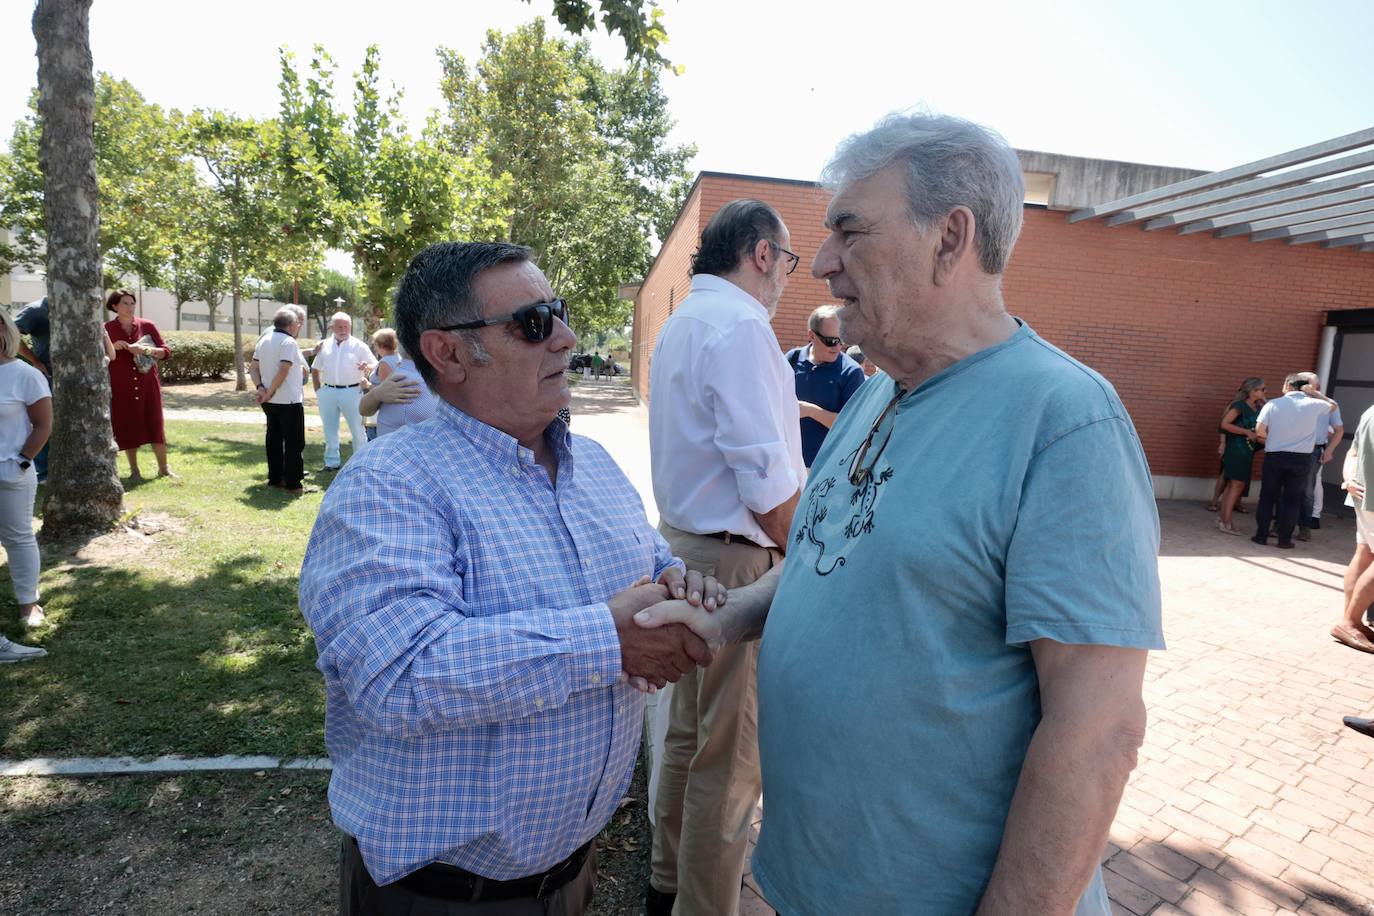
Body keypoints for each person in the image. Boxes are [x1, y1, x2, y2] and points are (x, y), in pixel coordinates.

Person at [635, 112, 1164, 915]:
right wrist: (726, 615)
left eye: (849, 231)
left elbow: (1097, 734)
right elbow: (829, 555)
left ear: (950, 238)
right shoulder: (878, 387)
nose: (820, 262)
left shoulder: (1065, 421)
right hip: (814, 884)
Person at [299, 240, 723, 916]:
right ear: (448, 353)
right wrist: (608, 642)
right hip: (443, 899)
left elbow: (651, 566)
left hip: (572, 877)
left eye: (558, 313)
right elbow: (399, 675)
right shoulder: (389, 486)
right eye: (533, 323)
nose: (566, 337)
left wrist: (678, 587)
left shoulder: (597, 467)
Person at [645, 198, 804, 916]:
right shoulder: (741, 326)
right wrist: (808, 556)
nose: (787, 281)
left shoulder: (684, 321)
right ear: (762, 254)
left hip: (685, 546)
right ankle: (703, 906)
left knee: (688, 733)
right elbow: (766, 478)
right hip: (739, 554)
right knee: (732, 755)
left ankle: (667, 879)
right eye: (788, 262)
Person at [0, 308, 52, 661]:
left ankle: (28, 604)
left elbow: (43, 425)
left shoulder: (24, 375)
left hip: (11, 472)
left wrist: (21, 461)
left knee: (18, 537)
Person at [1252, 372, 1338, 549]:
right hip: (1301, 459)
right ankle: (1284, 540)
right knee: (1293, 499)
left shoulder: (1273, 404)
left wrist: (1273, 440)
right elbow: (1333, 406)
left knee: (1268, 496)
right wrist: (1314, 392)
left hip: (1275, 455)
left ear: (1289, 385)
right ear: (1304, 387)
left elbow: (1259, 430)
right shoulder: (1314, 404)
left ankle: (1261, 536)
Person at [104, 289, 174, 479]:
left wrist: (144, 350)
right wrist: (112, 347)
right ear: (114, 306)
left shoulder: (147, 325)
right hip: (121, 384)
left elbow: (166, 352)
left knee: (155, 423)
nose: (130, 307)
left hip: (147, 383)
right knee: (127, 425)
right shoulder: (106, 329)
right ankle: (134, 471)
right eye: (125, 303)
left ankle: (164, 468)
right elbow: (99, 356)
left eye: (132, 303)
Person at [787, 304, 867, 468]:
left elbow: (851, 425)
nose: (837, 347)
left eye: (841, 340)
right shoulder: (792, 359)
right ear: (812, 336)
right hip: (787, 462)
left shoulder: (851, 372)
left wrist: (810, 411)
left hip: (823, 468)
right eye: (830, 341)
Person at [250, 308, 309, 494]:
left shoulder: (264, 340)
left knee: (273, 439)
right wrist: (269, 391)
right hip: (288, 400)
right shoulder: (288, 341)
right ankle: (294, 484)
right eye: (298, 324)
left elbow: (253, 368)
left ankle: (275, 478)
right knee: (294, 442)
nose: (298, 326)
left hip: (270, 400)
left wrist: (261, 388)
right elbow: (284, 370)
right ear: (291, 325)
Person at [1332, 403, 1374, 653]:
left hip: (1361, 495)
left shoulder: (1370, 411)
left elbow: (1353, 452)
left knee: (1364, 554)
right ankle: (1350, 621)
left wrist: (1348, 480)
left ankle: (1352, 620)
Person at [311, 312, 376, 471]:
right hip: (328, 391)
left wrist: (366, 367)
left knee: (358, 430)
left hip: (352, 391)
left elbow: (375, 365)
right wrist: (318, 390)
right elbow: (315, 368)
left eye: (346, 326)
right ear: (332, 327)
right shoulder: (324, 345)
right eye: (339, 326)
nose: (343, 329)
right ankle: (331, 462)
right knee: (330, 429)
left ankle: (360, 463)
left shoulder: (359, 345)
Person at [1215, 377, 1266, 535]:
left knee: (1235, 485)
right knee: (1236, 484)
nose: (1264, 392)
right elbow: (1225, 424)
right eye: (1262, 390)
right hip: (1237, 448)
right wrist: (1245, 431)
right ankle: (1226, 521)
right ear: (1252, 391)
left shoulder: (1258, 407)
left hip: (1248, 450)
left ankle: (1224, 519)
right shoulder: (1239, 406)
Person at [358, 344, 438, 437]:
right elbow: (363, 409)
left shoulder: (403, 369)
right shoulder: (409, 375)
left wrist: (375, 393)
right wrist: (376, 394)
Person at [1300, 377, 1343, 539]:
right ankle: (1282, 522)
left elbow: (1338, 430)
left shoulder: (1328, 403)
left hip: (1315, 450)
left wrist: (1330, 450)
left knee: (1310, 488)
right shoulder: (1295, 400)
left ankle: (1309, 521)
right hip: (1293, 449)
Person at [13, 298, 51, 481]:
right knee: (43, 423)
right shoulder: (36, 309)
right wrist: (35, 361)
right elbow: (11, 333)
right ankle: (43, 473)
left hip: (75, 378)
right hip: (48, 376)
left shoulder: (79, 304)